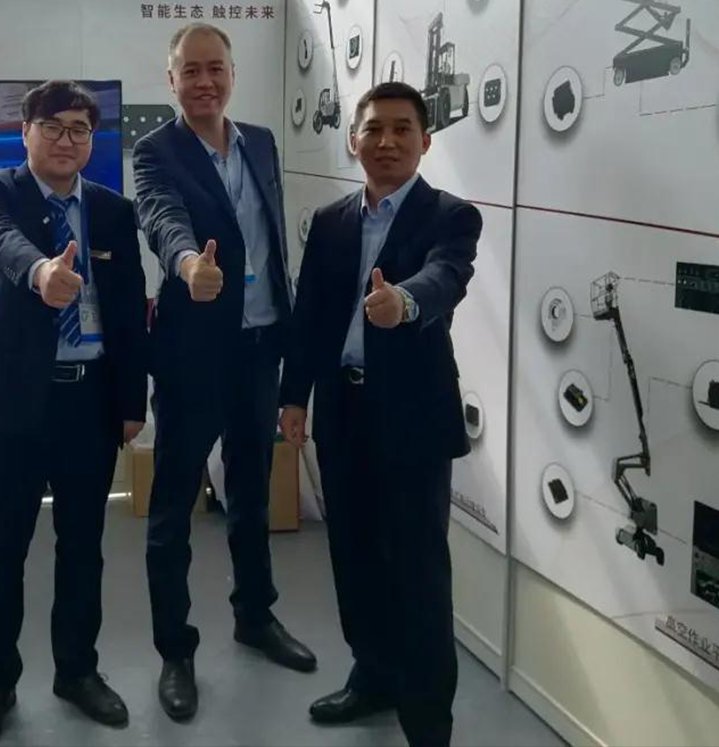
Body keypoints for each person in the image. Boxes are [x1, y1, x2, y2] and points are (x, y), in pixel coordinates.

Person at [278, 81, 481, 747]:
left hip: (412, 420)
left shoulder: (450, 215)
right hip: (343, 411)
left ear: (425, 141)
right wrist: (293, 396)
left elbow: (446, 275)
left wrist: (405, 301)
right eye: (374, 129)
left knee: (418, 575)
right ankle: (372, 677)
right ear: (353, 139)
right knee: (354, 558)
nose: (387, 141)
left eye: (402, 129)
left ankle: (427, 724)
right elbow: (310, 314)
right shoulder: (332, 220)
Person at [0, 80, 148, 747]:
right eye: (54, 127)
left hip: (88, 400)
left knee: (83, 547)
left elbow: (129, 310)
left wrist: (131, 402)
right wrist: (40, 273)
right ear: (25, 132)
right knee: (1, 548)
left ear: (92, 140)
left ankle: (77, 672)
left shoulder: (113, 211)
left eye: (80, 129)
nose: (67, 140)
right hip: (13, 400)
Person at [133, 22, 316, 722]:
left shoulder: (261, 143)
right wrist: (188, 265)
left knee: (251, 491)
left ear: (232, 74)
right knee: (173, 504)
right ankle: (175, 650)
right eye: (191, 70)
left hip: (260, 347)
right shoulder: (155, 150)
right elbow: (161, 217)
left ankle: (254, 616)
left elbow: (269, 238)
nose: (204, 81)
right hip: (193, 354)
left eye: (215, 68)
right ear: (171, 79)